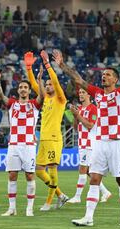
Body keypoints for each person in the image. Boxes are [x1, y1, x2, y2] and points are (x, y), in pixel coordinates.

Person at [53, 47, 120, 226]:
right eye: (103, 74)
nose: (104, 76)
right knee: (94, 178)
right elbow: (77, 79)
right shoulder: (98, 94)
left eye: (108, 75)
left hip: (116, 143)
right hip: (100, 142)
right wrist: (62, 65)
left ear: (115, 79)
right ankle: (88, 218)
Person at [0, 63, 45, 217]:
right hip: (13, 145)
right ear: (18, 90)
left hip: (28, 145)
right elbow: (1, 95)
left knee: (29, 175)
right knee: (12, 175)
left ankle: (29, 208)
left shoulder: (34, 105)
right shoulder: (12, 104)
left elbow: (42, 96)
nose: (22, 89)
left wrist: (39, 79)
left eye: (25, 87)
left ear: (29, 91)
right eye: (20, 87)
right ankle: (12, 208)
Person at [24, 51, 69, 211]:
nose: (48, 86)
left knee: (52, 168)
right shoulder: (46, 98)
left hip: (54, 138)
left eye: (50, 84)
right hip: (43, 139)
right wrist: (29, 68)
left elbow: (56, 82)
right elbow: (35, 85)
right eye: (47, 84)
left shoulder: (60, 98)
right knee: (39, 170)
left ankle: (49, 202)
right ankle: (61, 195)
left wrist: (48, 65)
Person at [67, 88, 111, 204]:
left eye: (83, 92)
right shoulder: (80, 109)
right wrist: (75, 115)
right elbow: (76, 128)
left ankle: (77, 197)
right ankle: (106, 192)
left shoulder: (94, 109)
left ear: (89, 95)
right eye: (80, 92)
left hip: (90, 143)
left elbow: (90, 125)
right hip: (82, 142)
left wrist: (79, 116)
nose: (80, 94)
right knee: (89, 171)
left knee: (83, 169)